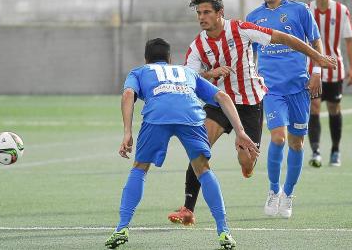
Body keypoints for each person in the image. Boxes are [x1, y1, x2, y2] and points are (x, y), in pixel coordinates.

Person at [168, 0, 336, 224]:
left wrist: (317, 58)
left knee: (246, 161)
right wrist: (210, 73)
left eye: (206, 12)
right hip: (219, 102)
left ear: (220, 13)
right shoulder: (198, 45)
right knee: (199, 148)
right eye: (199, 13)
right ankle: (188, 208)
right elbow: (189, 78)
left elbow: (284, 38)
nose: (202, 17)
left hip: (250, 104)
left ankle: (249, 167)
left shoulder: (242, 29)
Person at [105, 38, 260, 249]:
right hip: (191, 115)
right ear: (170, 59)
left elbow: (128, 93)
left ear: (146, 59)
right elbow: (222, 96)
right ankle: (224, 231)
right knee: (203, 170)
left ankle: (121, 228)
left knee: (140, 168)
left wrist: (126, 132)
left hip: (157, 116)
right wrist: (240, 131)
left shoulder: (139, 71)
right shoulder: (186, 72)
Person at [246, 0, 331, 218]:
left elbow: (316, 42)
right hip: (271, 90)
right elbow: (248, 53)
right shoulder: (253, 17)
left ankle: (288, 193)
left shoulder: (300, 11)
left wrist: (317, 72)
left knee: (296, 142)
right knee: (278, 138)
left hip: (299, 88)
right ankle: (273, 191)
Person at [307, 0, 352, 168]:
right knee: (315, 107)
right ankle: (316, 151)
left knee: (334, 108)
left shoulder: (341, 10)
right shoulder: (307, 10)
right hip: (313, 70)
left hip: (335, 70)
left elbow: (350, 41)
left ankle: (335, 150)